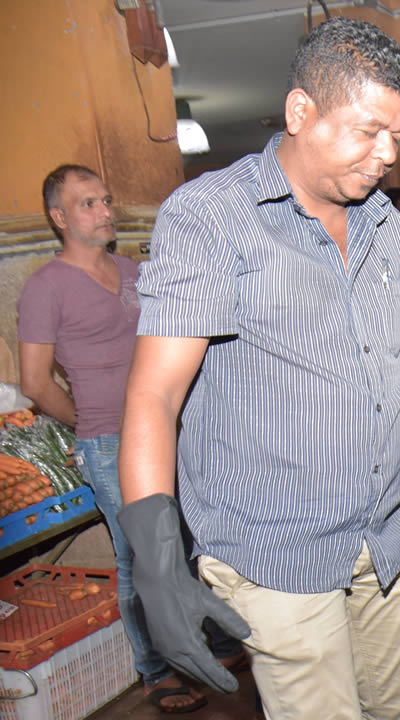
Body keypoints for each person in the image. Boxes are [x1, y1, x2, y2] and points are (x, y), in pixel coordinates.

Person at [115, 18, 400, 718]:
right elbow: (154, 392)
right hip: (273, 549)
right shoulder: (212, 218)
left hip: (383, 532)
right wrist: (154, 552)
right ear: (301, 112)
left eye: (398, 138)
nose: (386, 155)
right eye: (368, 131)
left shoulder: (382, 222)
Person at [17, 165, 244, 714]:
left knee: (184, 542)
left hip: (166, 430)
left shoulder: (132, 270)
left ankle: (205, 639)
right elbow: (33, 381)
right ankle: (156, 669)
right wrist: (88, 422)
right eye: (89, 203)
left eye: (106, 199)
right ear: (59, 217)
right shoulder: (46, 286)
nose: (105, 211)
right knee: (139, 558)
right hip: (109, 441)